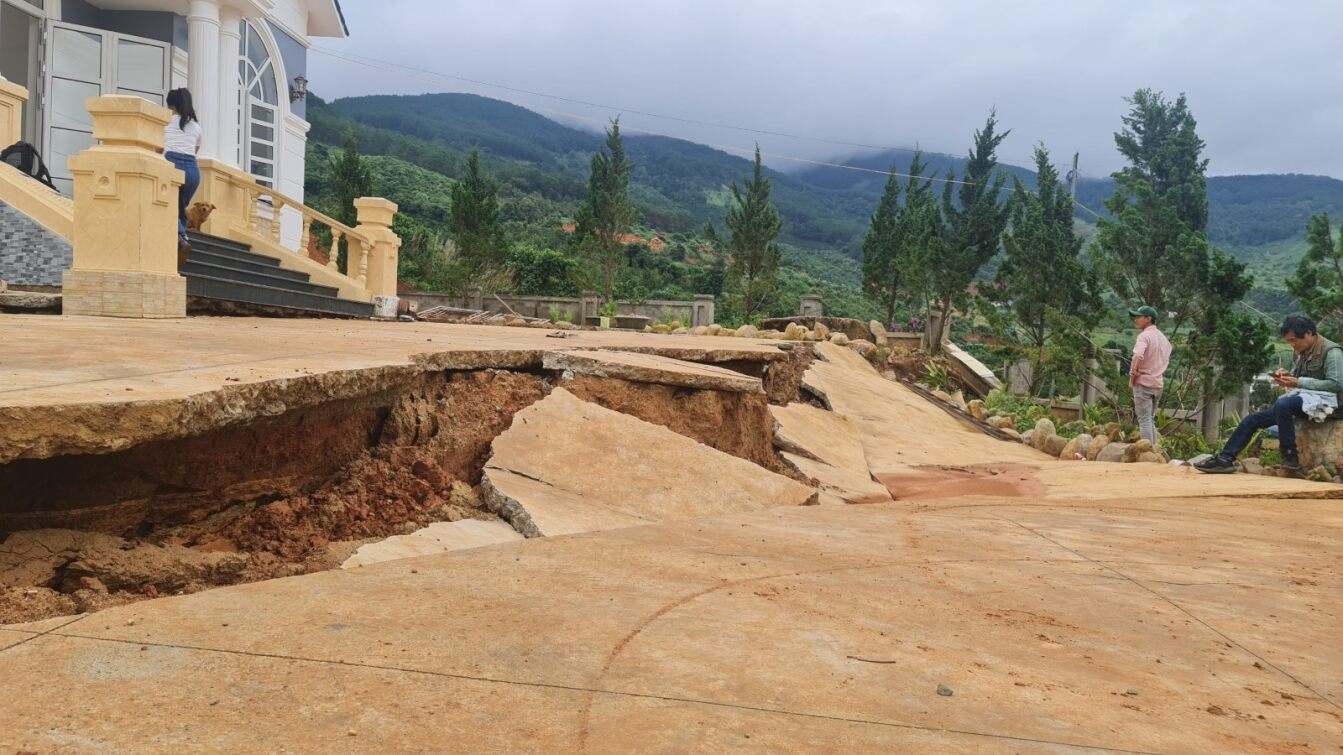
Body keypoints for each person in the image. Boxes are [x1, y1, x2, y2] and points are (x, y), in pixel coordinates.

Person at [1195, 315, 1343, 474]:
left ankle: (1290, 457)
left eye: (1294, 340)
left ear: (1308, 333)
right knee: (1253, 419)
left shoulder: (1332, 352)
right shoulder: (1302, 352)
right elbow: (1297, 376)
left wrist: (1298, 382)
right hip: (1307, 401)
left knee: (1283, 404)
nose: (1292, 345)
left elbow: (1336, 384)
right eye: (1289, 341)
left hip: (1332, 405)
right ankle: (1225, 459)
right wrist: (1286, 376)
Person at [163, 88, 202, 260]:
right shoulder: (196, 127)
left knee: (170, 206)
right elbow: (195, 149)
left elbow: (158, 145)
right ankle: (182, 240)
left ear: (172, 106)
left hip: (172, 164)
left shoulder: (165, 121)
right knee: (179, 208)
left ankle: (182, 237)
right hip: (193, 171)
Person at [1128, 305, 1171, 447]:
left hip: (1143, 382)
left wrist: (1133, 374)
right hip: (1158, 383)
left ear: (1148, 319)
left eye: (1139, 317)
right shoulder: (1163, 338)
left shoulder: (1144, 336)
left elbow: (1138, 355)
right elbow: (1168, 354)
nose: (1136, 320)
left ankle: (1147, 452)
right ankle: (1153, 452)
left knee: (1144, 420)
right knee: (1150, 419)